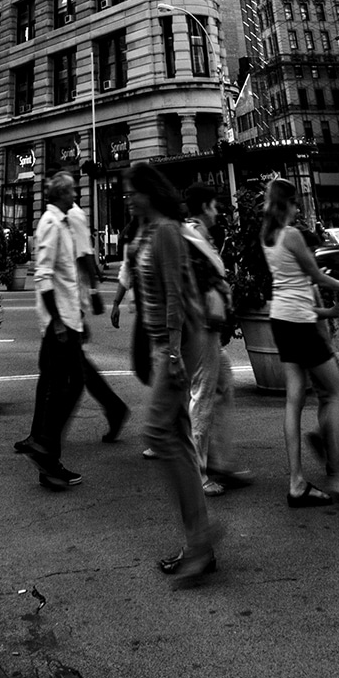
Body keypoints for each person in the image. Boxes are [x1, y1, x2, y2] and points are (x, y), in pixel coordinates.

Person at [262, 177, 339, 509]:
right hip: (300, 324)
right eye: (296, 202)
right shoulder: (292, 234)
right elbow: (315, 275)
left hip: (281, 320)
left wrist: (327, 308)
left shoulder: (267, 236)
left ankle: (297, 482)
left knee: (294, 399)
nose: (299, 208)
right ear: (287, 203)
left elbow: (293, 282)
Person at [125, 162, 216, 584]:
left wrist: (175, 352)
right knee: (175, 437)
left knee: (159, 434)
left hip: (176, 344)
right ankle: (199, 543)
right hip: (165, 343)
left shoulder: (165, 231)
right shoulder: (150, 231)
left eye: (133, 191)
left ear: (149, 193)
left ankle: (201, 538)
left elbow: (177, 295)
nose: (128, 197)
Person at [16, 169, 87, 487]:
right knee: (70, 385)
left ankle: (45, 453)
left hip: (67, 318)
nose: (76, 194)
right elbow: (43, 275)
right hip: (60, 324)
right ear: (59, 195)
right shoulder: (51, 225)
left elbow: (64, 276)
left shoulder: (60, 222)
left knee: (55, 385)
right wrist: (59, 321)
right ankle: (44, 447)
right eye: (71, 191)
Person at [182, 183, 253, 496]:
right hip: (201, 326)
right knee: (203, 395)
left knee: (223, 384)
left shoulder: (198, 235)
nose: (218, 212)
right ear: (204, 206)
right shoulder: (191, 236)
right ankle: (198, 472)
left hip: (206, 326)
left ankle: (219, 463)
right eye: (214, 206)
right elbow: (196, 282)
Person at [66, 177, 131, 443]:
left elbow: (85, 255)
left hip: (71, 300)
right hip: (63, 299)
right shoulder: (57, 215)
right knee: (70, 365)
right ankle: (114, 408)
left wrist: (93, 292)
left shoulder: (74, 215)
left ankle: (45, 435)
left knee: (69, 366)